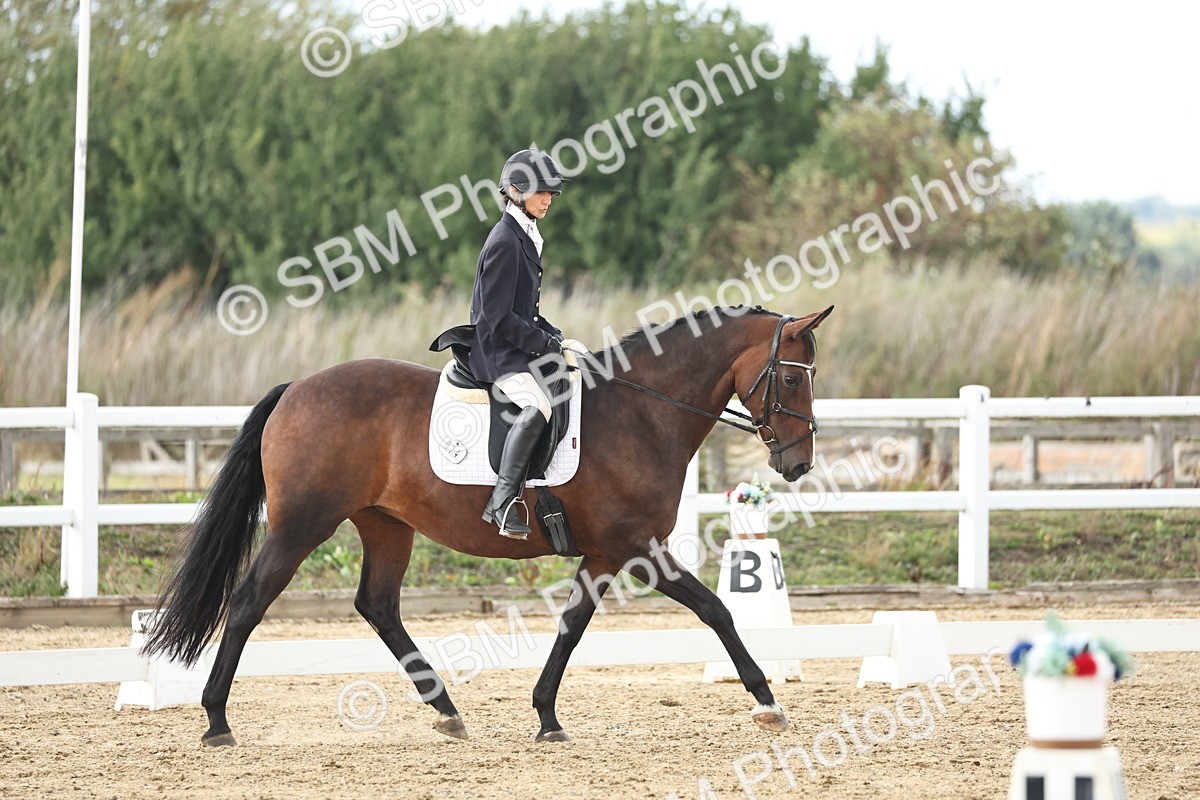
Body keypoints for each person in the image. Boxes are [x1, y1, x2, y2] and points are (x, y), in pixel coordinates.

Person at [469, 149, 570, 539]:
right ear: (515, 191)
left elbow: (523, 309)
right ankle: (502, 502)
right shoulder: (505, 241)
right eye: (541, 192)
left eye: (551, 193)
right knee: (537, 404)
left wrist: (553, 334)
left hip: (515, 345)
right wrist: (540, 343)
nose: (548, 200)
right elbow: (496, 316)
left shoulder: (523, 234)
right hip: (496, 352)